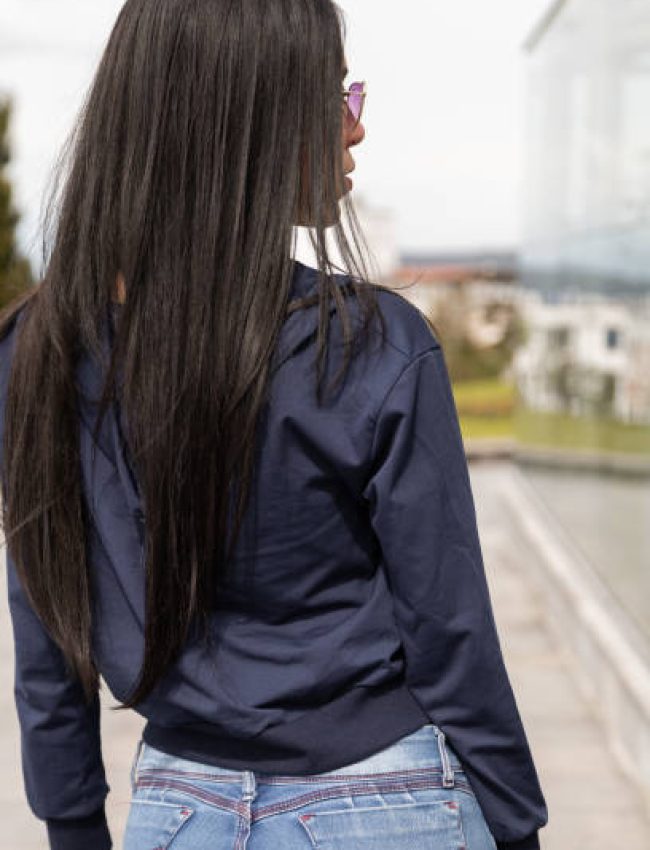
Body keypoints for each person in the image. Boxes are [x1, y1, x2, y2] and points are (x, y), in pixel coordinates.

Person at [0, 1, 548, 849]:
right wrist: (516, 827)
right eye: (335, 95)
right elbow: (451, 638)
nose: (355, 128)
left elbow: (50, 637)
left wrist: (74, 826)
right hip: (392, 802)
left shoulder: (37, 351)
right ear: (250, 117)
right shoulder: (373, 344)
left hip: (178, 814)